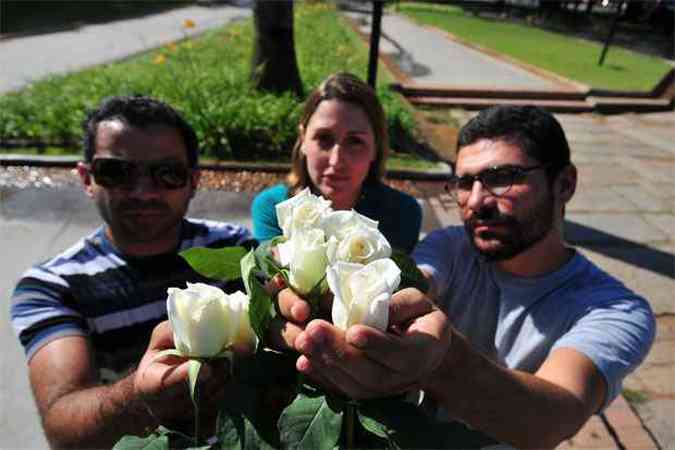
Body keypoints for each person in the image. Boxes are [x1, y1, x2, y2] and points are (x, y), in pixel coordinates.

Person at [270, 105, 656, 449]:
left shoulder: (614, 309)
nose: (475, 201)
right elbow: (414, 287)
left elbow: (550, 419)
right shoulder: (451, 246)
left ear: (565, 183)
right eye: (464, 183)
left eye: (502, 177)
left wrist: (442, 360)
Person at [9, 95, 253, 449]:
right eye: (117, 172)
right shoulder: (50, 286)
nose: (143, 191)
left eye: (167, 173)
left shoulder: (237, 251)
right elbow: (62, 427)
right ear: (86, 178)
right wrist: (140, 396)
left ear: (194, 180)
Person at [251, 72, 422, 253]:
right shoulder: (274, 209)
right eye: (324, 138)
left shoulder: (402, 214)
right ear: (303, 140)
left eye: (355, 142)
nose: (336, 161)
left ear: (376, 148)